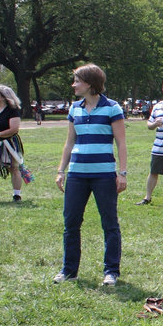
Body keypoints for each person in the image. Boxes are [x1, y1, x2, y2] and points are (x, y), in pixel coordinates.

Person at [54, 63, 127, 286]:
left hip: (104, 175)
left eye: (77, 80)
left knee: (109, 224)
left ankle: (111, 271)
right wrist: (61, 171)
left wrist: (122, 173)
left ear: (89, 83)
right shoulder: (74, 108)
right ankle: (69, 270)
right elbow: (69, 142)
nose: (73, 84)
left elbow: (121, 143)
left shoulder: (112, 108)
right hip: (77, 174)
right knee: (71, 223)